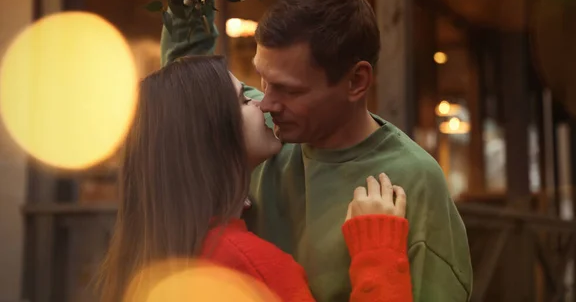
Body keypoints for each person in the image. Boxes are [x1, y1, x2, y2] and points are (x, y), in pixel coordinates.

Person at [161, 0, 473, 301]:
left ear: (356, 81)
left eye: (290, 89)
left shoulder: (414, 181)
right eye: (263, 80)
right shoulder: (259, 128)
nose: (265, 103)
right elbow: (187, 86)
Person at [98, 56, 413, 302]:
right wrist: (378, 254)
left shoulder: (151, 259)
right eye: (243, 100)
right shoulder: (249, 266)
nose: (262, 103)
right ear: (211, 133)